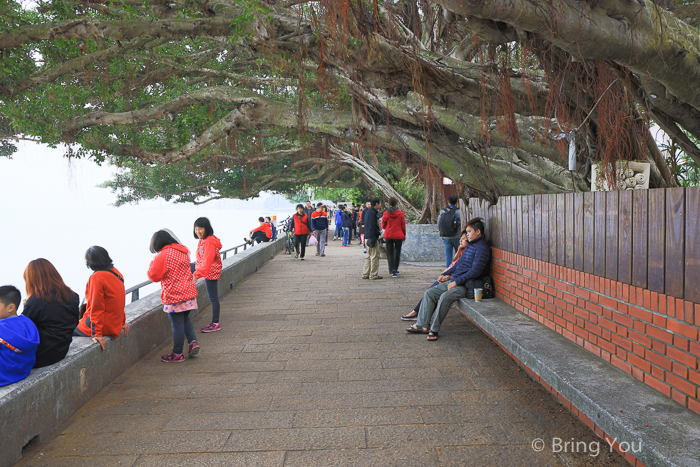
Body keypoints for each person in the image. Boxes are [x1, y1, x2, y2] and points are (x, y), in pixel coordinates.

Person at [407, 218, 491, 341]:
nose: (467, 234)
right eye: (466, 232)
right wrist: (446, 273)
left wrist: (456, 282)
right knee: (430, 293)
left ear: (478, 232)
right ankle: (422, 325)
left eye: (469, 231)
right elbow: (459, 263)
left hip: (466, 285)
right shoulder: (471, 245)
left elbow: (476, 272)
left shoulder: (482, 248)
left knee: (444, 298)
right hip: (455, 281)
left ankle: (434, 330)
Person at [147, 229, 201, 362]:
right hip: (188, 293)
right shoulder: (183, 252)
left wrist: (152, 263)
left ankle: (177, 353)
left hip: (174, 295)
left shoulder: (162, 256)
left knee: (177, 325)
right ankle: (193, 342)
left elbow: (154, 276)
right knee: (185, 320)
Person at [22, 259, 79, 368]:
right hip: (61, 351)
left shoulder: (35, 301)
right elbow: (74, 322)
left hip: (41, 356)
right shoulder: (73, 296)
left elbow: (23, 330)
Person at [401, 231, 467, 321]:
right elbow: (453, 267)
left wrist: (448, 277)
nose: (460, 240)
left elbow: (462, 271)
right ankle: (418, 313)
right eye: (460, 238)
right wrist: (444, 274)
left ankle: (417, 313)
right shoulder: (460, 250)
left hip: (456, 281)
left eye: (463, 238)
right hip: (451, 277)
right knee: (431, 290)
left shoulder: (467, 253)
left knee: (432, 292)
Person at [74, 246, 129, 350]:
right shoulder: (117, 273)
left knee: (69, 332)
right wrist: (122, 322)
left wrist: (97, 334)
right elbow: (119, 301)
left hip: (104, 326)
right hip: (115, 325)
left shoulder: (96, 278)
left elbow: (96, 307)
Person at [0, 285, 39, 387]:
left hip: (3, 374)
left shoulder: (2, 328)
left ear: (10, 308)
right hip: (22, 370)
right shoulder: (27, 322)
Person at [192, 218, 223, 333]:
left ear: (207, 228)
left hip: (210, 273)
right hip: (206, 271)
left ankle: (216, 323)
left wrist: (195, 276)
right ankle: (215, 322)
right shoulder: (203, 240)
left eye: (201, 228)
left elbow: (206, 263)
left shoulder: (209, 242)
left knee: (214, 299)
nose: (198, 231)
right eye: (196, 229)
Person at [382, 197, 406, 278]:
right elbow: (403, 225)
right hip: (398, 235)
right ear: (396, 204)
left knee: (390, 253)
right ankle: (395, 269)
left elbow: (383, 225)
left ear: (389, 204)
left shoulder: (386, 213)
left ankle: (391, 270)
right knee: (397, 252)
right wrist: (404, 235)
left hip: (388, 235)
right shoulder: (400, 213)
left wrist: (388, 227)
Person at [438, 194, 462, 268]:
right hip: (457, 236)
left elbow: (439, 223)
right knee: (458, 255)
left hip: (446, 237)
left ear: (448, 201)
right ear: (456, 201)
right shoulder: (458, 212)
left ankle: (448, 271)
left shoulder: (443, 211)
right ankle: (458, 270)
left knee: (449, 255)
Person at [361, 198, 383, 280]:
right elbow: (373, 226)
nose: (380, 205)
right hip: (372, 237)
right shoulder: (373, 213)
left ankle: (365, 273)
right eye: (380, 203)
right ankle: (373, 274)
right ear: (376, 204)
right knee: (374, 256)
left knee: (368, 256)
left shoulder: (368, 212)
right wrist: (378, 233)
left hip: (367, 236)